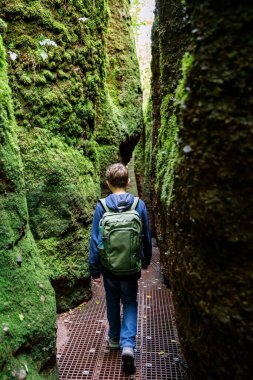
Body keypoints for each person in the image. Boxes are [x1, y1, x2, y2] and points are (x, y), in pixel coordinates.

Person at [89, 163, 152, 374]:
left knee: (113, 300)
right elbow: (146, 236)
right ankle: (128, 345)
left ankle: (114, 339)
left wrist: (94, 268)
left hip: (109, 268)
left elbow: (95, 240)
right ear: (128, 181)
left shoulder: (102, 206)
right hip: (131, 267)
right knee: (130, 301)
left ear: (107, 183)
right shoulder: (138, 205)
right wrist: (146, 260)